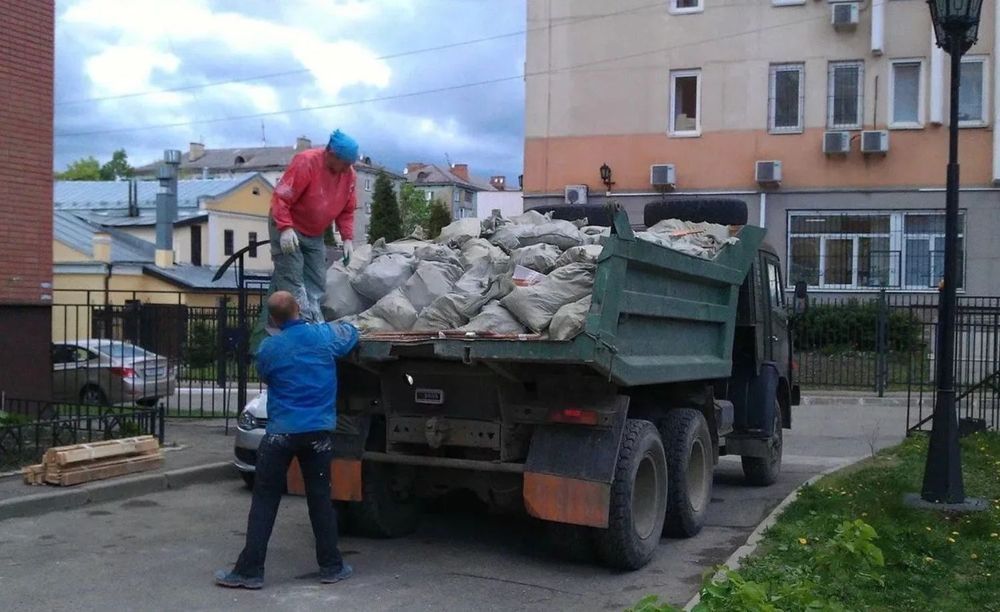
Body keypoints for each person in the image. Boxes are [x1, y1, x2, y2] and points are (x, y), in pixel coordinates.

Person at [215, 290, 360, 590]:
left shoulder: (269, 348)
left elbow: (267, 375)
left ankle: (250, 571)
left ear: (272, 319)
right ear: (300, 310)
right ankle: (331, 566)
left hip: (280, 434)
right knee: (320, 500)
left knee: (265, 501)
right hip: (317, 434)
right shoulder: (323, 336)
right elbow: (351, 335)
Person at [251, 129, 358, 349]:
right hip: (288, 224)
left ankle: (308, 323)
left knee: (317, 280)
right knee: (294, 281)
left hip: (314, 232)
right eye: (345, 163)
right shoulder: (306, 162)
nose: (348, 168)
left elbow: (347, 209)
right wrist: (285, 228)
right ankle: (307, 332)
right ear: (331, 154)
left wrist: (347, 238)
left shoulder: (348, 175)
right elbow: (281, 197)